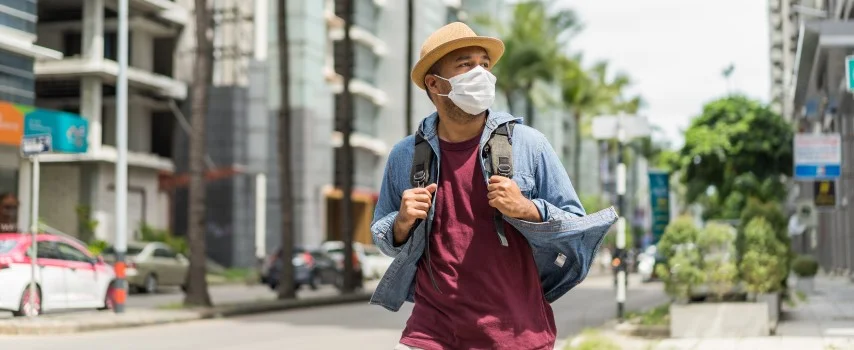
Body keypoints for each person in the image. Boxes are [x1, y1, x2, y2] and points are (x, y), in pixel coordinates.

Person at [370, 22, 617, 350]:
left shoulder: (529, 144)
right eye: (465, 65)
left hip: (517, 335)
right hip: (431, 334)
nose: (480, 73)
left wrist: (528, 209)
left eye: (484, 64)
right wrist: (401, 223)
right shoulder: (406, 155)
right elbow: (384, 237)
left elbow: (576, 225)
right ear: (435, 83)